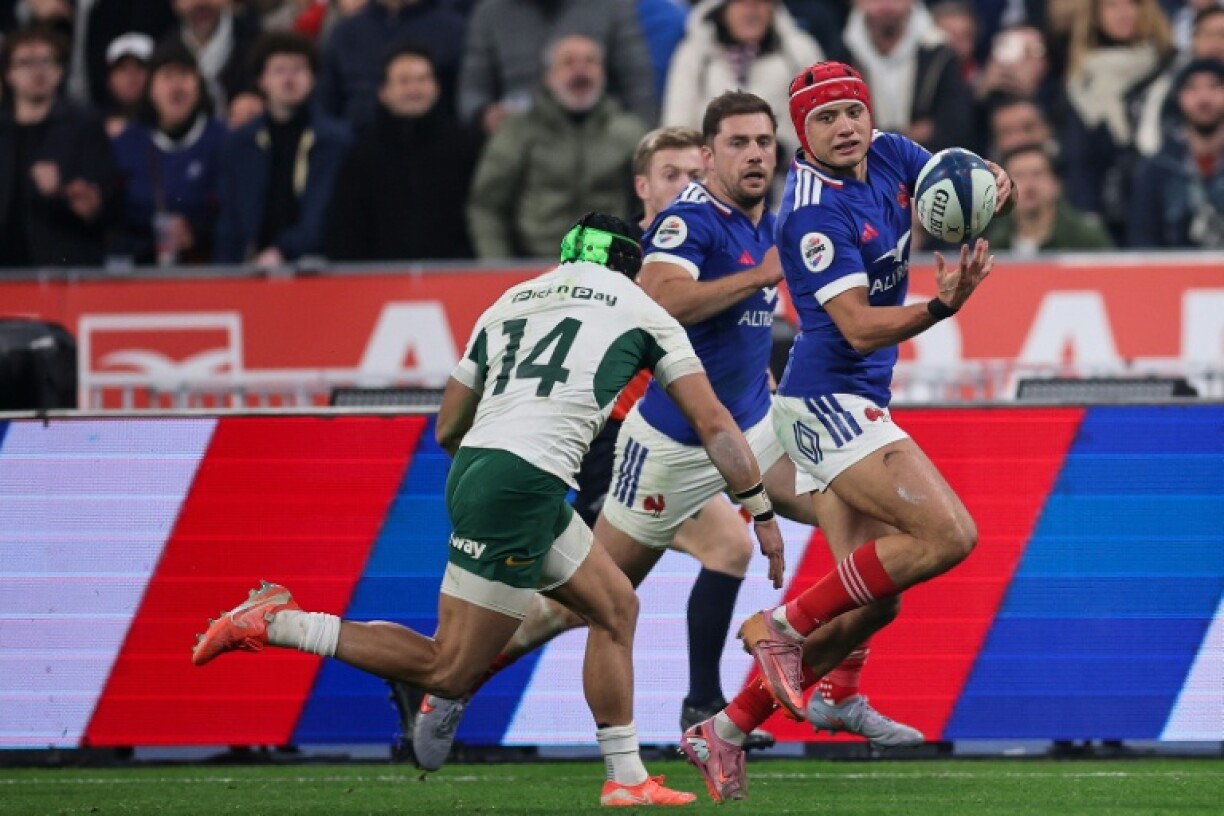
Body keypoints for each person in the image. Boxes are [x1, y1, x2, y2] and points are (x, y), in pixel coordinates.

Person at [193, 210, 786, 808]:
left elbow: (449, 424)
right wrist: (760, 510)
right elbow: (713, 422)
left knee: (615, 607)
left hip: (489, 467)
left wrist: (494, 467)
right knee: (447, 669)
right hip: (522, 484)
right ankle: (277, 622)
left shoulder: (511, 300)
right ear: (632, 268)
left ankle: (626, 779)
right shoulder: (642, 309)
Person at [412, 90, 922, 774]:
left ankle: (831, 687)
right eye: (738, 143)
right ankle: (453, 681)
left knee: (866, 525)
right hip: (668, 450)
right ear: (709, 156)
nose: (754, 155)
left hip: (750, 430)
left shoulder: (774, 221)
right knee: (585, 602)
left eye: (764, 143)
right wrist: (759, 277)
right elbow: (656, 298)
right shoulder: (690, 222)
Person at [679, 62, 1015, 803]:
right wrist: (940, 307)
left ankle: (725, 731)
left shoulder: (892, 153)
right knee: (950, 535)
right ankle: (780, 628)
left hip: (861, 401)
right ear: (805, 133)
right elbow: (859, 328)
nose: (845, 125)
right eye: (826, 117)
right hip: (827, 401)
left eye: (852, 110)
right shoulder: (810, 213)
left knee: (876, 600)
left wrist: (992, 183)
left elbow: (958, 176)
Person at [467, 34, 647, 259]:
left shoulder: (629, 132)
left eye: (590, 61)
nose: (580, 70)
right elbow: (487, 205)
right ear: (549, 76)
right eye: (568, 62)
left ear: (603, 73)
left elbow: (650, 202)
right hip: (533, 266)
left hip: (609, 266)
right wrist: (497, 267)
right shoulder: (518, 131)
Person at [323, 43, 480, 261]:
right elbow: (346, 229)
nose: (414, 90)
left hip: (455, 277)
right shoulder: (362, 155)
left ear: (436, 87)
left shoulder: (467, 148)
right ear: (384, 92)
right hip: (378, 280)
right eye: (404, 81)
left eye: (423, 80)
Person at [213, 31, 351, 267]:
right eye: (278, 70)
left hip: (317, 266)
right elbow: (231, 219)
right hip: (251, 266)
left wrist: (284, 250)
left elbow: (324, 212)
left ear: (313, 78)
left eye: (298, 69)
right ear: (262, 80)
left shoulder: (334, 140)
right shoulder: (239, 143)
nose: (289, 79)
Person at [0, 25, 117, 269]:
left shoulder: (85, 124)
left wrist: (64, 193)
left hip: (65, 269)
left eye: (46, 60)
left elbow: (103, 203)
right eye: (25, 62)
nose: (37, 71)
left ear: (60, 70)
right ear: (9, 74)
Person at [661, 0, 824, 173]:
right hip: (711, 178)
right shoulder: (694, 54)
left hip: (789, 176)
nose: (751, 11)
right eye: (741, 3)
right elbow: (676, 126)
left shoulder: (799, 51)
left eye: (759, 3)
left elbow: (822, 121)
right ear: (721, 9)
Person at [458, 0, 656, 135]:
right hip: (520, 138)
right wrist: (484, 114)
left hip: (598, 137)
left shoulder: (613, 6)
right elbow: (472, 90)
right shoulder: (490, 13)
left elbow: (639, 87)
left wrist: (638, 143)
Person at [111, 42, 226, 266]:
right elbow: (114, 217)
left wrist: (197, 232)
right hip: (140, 270)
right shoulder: (128, 141)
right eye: (166, 76)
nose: (176, 86)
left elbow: (236, 213)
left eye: (184, 75)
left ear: (199, 86)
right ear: (151, 89)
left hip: (209, 271)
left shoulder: (223, 140)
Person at [317, 0, 467, 129]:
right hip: (357, 148)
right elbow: (326, 105)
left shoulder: (453, 28)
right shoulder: (346, 32)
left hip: (438, 148)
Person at [1127, 57, 1224, 248]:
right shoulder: (1156, 170)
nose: (1204, 98)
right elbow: (1143, 241)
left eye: (1214, 87)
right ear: (1179, 97)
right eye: (1193, 89)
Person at [981, 143, 1113, 254]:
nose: (1029, 184)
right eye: (1019, 175)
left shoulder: (1087, 239)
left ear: (1056, 184)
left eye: (1037, 174)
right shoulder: (995, 244)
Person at [101, 33, 155, 138]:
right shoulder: (94, 126)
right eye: (123, 68)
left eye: (140, 66)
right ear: (110, 79)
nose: (131, 75)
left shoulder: (168, 123)